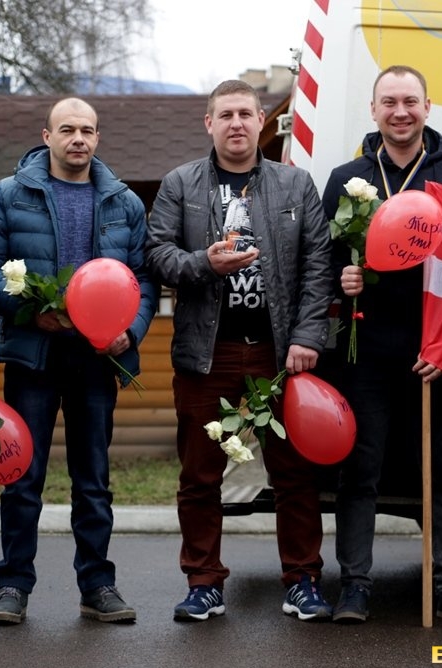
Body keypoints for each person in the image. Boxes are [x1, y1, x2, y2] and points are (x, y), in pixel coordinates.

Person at [146, 80, 334, 622]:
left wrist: (306, 337)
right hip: (209, 353)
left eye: (245, 114)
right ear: (209, 123)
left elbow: (317, 266)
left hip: (279, 353)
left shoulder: (295, 184)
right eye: (225, 114)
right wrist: (203, 263)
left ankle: (302, 580)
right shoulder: (181, 183)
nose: (236, 123)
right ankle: (203, 582)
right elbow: (155, 255)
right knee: (200, 475)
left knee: (294, 474)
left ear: (260, 122)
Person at [0, 98, 158, 625]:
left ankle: (97, 585)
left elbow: (145, 278)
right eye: (67, 130)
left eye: (87, 130)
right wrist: (30, 312)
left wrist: (131, 330)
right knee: (22, 477)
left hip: (98, 360)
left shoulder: (124, 202)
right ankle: (13, 586)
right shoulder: (10, 195)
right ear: (47, 135)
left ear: (97, 138)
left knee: (93, 479)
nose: (78, 138)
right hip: (33, 356)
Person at [323, 65, 442, 624]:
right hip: (367, 349)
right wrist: (341, 279)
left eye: (410, 101)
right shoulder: (347, 178)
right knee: (359, 470)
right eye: (389, 102)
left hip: (436, 352)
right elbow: (322, 261)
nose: (400, 112)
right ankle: (354, 586)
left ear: (428, 107)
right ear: (373, 110)